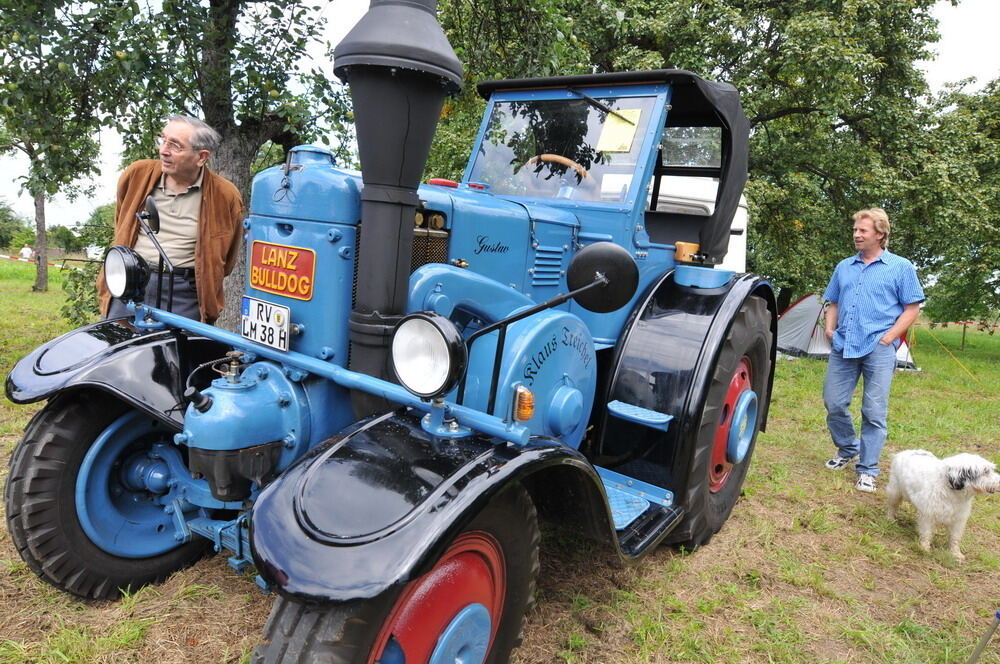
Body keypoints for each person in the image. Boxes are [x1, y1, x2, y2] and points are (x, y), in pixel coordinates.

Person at [99, 115, 244, 324]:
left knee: (177, 354)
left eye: (175, 145)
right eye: (163, 140)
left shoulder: (225, 196)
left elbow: (226, 259)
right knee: (117, 351)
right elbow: (122, 223)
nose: (163, 150)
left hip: (184, 293)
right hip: (128, 281)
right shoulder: (137, 174)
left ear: (201, 157)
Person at [822, 208, 924, 493]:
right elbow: (833, 302)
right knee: (834, 402)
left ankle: (868, 470)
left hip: (879, 347)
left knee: (873, 411)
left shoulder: (900, 267)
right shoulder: (844, 266)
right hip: (843, 345)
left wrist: (889, 337)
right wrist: (830, 329)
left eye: (863, 231)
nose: (856, 234)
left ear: (880, 234)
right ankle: (848, 448)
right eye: (856, 229)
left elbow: (912, 309)